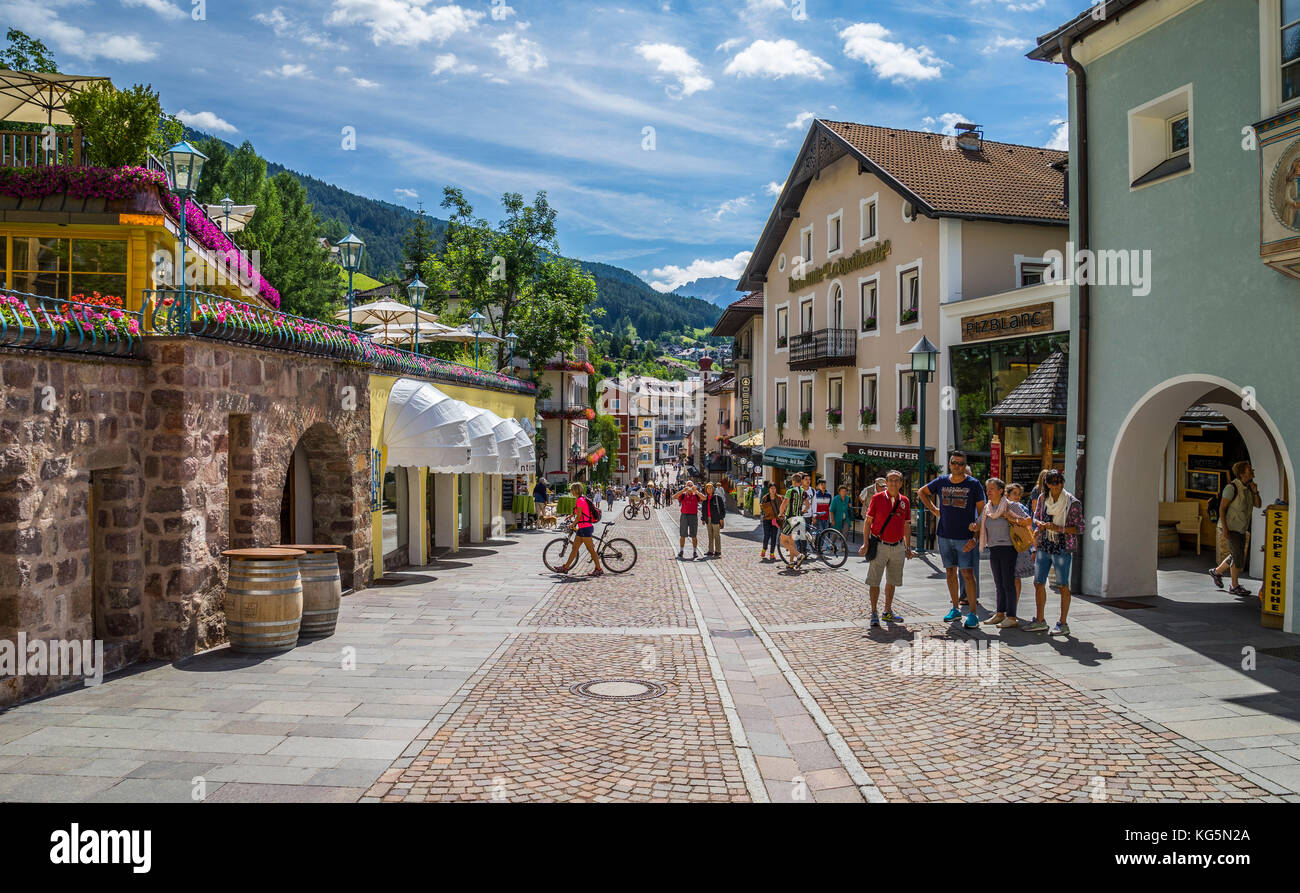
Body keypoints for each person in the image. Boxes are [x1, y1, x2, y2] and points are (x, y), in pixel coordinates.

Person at [918, 450, 986, 629]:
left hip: (965, 537)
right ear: (950, 464)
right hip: (944, 535)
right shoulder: (941, 481)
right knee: (950, 573)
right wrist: (934, 510)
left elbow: (982, 512)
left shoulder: (974, 484)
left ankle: (972, 613)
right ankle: (955, 608)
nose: (957, 466)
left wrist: (976, 536)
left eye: (961, 464)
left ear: (965, 466)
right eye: (954, 463)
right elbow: (922, 492)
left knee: (967, 574)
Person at [1023, 469, 1083, 635]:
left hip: (1062, 547)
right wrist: (1040, 524)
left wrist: (1058, 528)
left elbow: (1080, 528)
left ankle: (1063, 623)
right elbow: (1035, 517)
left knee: (1063, 585)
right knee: (1038, 582)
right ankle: (1040, 620)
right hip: (1044, 544)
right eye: (1054, 482)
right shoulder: (1043, 498)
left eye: (1060, 481)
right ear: (1047, 484)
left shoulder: (1072, 502)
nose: (1058, 485)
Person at [858, 470, 913, 627]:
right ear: (886, 483)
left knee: (892, 580)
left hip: (898, 546)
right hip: (880, 545)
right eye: (891, 480)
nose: (894, 483)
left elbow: (906, 525)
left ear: (901, 483)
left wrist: (908, 547)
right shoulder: (877, 498)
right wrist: (865, 543)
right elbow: (868, 522)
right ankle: (874, 612)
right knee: (874, 580)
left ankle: (887, 611)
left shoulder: (905, 501)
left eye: (897, 480)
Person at [977, 478, 1032, 629]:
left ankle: (1012, 616)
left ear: (1001, 490)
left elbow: (1027, 521)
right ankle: (1000, 613)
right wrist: (972, 527)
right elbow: (978, 523)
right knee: (999, 583)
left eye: (991, 489)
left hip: (1009, 548)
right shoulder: (988, 508)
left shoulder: (1011, 505)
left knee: (1008, 583)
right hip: (993, 548)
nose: (988, 491)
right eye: (987, 489)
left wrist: (1010, 516)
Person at [1209, 460, 1261, 597]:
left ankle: (1217, 571)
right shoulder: (1231, 488)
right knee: (1237, 555)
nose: (1253, 471)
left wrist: (1255, 492)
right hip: (1231, 527)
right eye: (1250, 469)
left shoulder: (1248, 488)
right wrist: (1225, 529)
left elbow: (1258, 504)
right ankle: (1234, 585)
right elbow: (1222, 508)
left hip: (1241, 527)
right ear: (1242, 473)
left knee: (1236, 554)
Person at [559, 482, 604, 576]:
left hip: (585, 528)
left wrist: (572, 524)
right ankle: (566, 567)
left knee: (591, 550)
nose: (570, 491)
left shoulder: (580, 500)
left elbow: (579, 516)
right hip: (582, 528)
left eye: (571, 489)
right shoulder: (582, 499)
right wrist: (571, 516)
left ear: (575, 490)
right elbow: (581, 512)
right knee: (574, 548)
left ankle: (599, 569)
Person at [1006, 482, 1036, 604]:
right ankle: (1004, 607)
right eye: (1014, 494)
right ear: (1007, 495)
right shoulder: (1003, 506)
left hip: (1018, 545)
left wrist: (1033, 548)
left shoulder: (1022, 508)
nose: (1017, 497)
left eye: (1019, 494)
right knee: (1005, 579)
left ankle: (1014, 605)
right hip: (1006, 544)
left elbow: (1029, 526)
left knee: (1015, 577)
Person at [778, 472, 810, 568]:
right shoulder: (803, 491)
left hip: (791, 519)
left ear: (793, 481)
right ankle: (791, 563)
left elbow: (784, 504)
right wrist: (803, 510)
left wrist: (780, 513)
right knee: (791, 541)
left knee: (783, 540)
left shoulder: (790, 491)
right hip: (799, 519)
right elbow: (807, 505)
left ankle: (799, 555)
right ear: (800, 481)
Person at [673, 479, 702, 560]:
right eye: (688, 485)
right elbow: (674, 497)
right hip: (684, 515)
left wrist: (696, 491)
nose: (689, 487)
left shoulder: (696, 495)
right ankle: (681, 551)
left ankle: (695, 551)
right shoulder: (683, 495)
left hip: (693, 516)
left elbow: (704, 498)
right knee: (682, 535)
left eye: (691, 485)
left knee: (694, 535)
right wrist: (682, 490)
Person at [702, 481, 727, 557]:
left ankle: (718, 551)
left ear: (713, 489)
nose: (709, 489)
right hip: (708, 519)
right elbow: (703, 509)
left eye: (710, 488)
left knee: (716, 535)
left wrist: (721, 518)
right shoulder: (705, 499)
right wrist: (703, 518)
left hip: (716, 519)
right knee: (710, 535)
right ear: (706, 490)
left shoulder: (717, 498)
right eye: (707, 488)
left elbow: (722, 509)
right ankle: (710, 550)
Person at [759, 481, 780, 561]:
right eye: (771, 488)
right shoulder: (765, 498)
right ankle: (764, 550)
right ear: (769, 489)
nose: (773, 490)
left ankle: (772, 554)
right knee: (767, 536)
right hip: (767, 520)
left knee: (774, 536)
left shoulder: (779, 498)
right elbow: (762, 508)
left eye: (774, 488)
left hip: (775, 520)